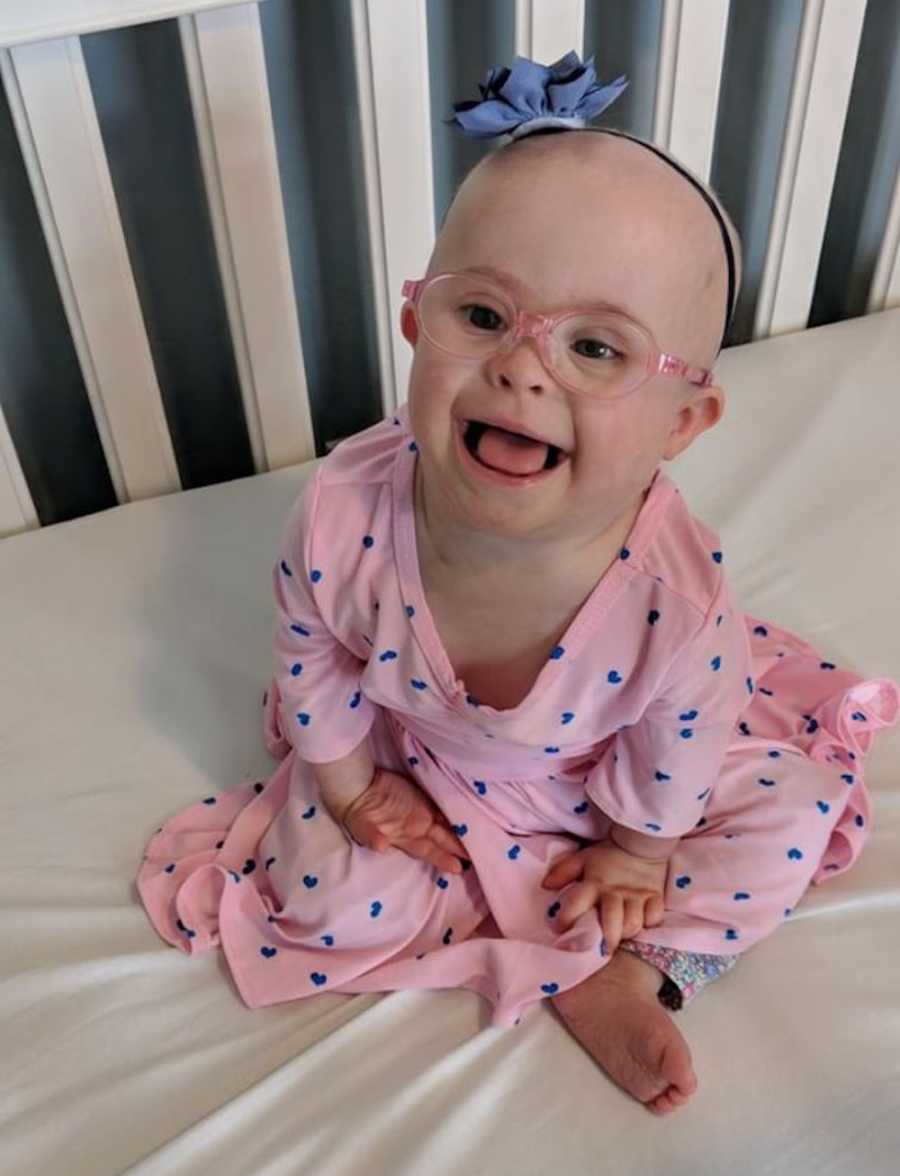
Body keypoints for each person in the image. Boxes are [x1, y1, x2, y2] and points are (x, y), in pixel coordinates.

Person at [137, 53, 900, 1116]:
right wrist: (352, 784)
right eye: (485, 317)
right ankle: (499, 895)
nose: (523, 368)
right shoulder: (348, 510)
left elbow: (680, 748)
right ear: (418, 324)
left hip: (613, 779)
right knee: (322, 907)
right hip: (412, 752)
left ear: (682, 424)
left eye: (597, 348)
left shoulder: (672, 606)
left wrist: (635, 852)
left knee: (793, 811)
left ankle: (633, 970)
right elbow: (312, 649)